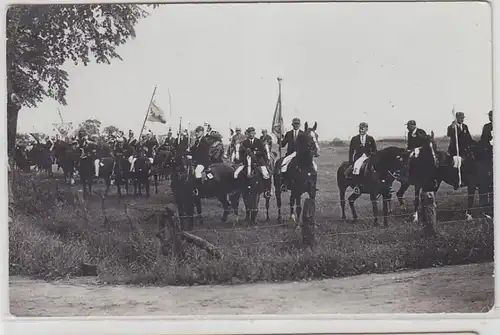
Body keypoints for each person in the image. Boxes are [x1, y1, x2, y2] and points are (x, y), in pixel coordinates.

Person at [446, 111, 474, 189]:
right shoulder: (451, 127)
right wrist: (453, 126)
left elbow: (469, 138)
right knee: (457, 162)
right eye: (460, 118)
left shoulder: (465, 126)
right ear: (456, 118)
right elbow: (449, 134)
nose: (462, 120)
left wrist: (476, 144)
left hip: (465, 150)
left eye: (463, 118)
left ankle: (470, 179)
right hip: (455, 151)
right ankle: (456, 181)